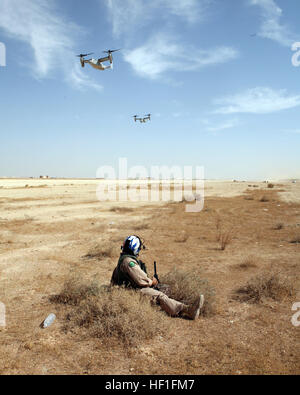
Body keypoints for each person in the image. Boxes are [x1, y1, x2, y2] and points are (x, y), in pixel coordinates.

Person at [111, 235, 204, 320]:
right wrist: (152, 282)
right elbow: (142, 281)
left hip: (127, 291)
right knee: (160, 295)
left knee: (164, 288)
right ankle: (187, 310)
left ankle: (169, 306)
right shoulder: (129, 262)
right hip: (132, 293)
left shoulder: (124, 260)